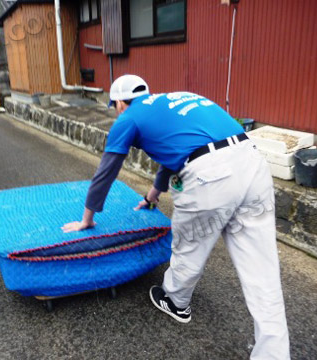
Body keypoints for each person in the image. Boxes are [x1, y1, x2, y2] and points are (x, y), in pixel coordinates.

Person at [62, 74, 290, 359]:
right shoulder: (177, 99)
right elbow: (178, 152)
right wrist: (152, 195)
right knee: (262, 270)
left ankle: (176, 300)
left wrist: (88, 218)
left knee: (188, 246)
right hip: (253, 163)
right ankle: (275, 354)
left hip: (211, 176)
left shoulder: (128, 117)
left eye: (115, 105)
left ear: (120, 103)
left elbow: (106, 170)